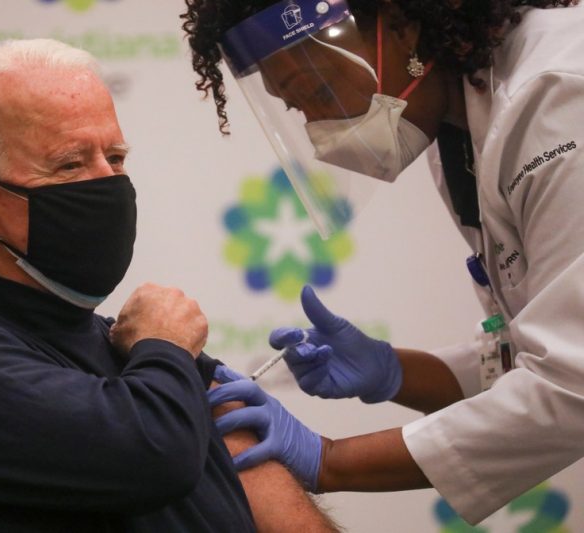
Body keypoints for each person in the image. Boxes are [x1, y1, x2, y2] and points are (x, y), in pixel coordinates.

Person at [0, 38, 339, 532]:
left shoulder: (134, 349)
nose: (109, 183)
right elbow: (155, 455)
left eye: (116, 157)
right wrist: (167, 347)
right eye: (70, 164)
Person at [177, 0, 584, 525]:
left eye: (318, 91)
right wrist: (394, 372)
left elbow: (570, 387)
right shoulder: (458, 127)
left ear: (401, 24)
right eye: (298, 109)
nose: (319, 132)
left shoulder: (555, 100)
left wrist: (328, 459)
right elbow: (533, 355)